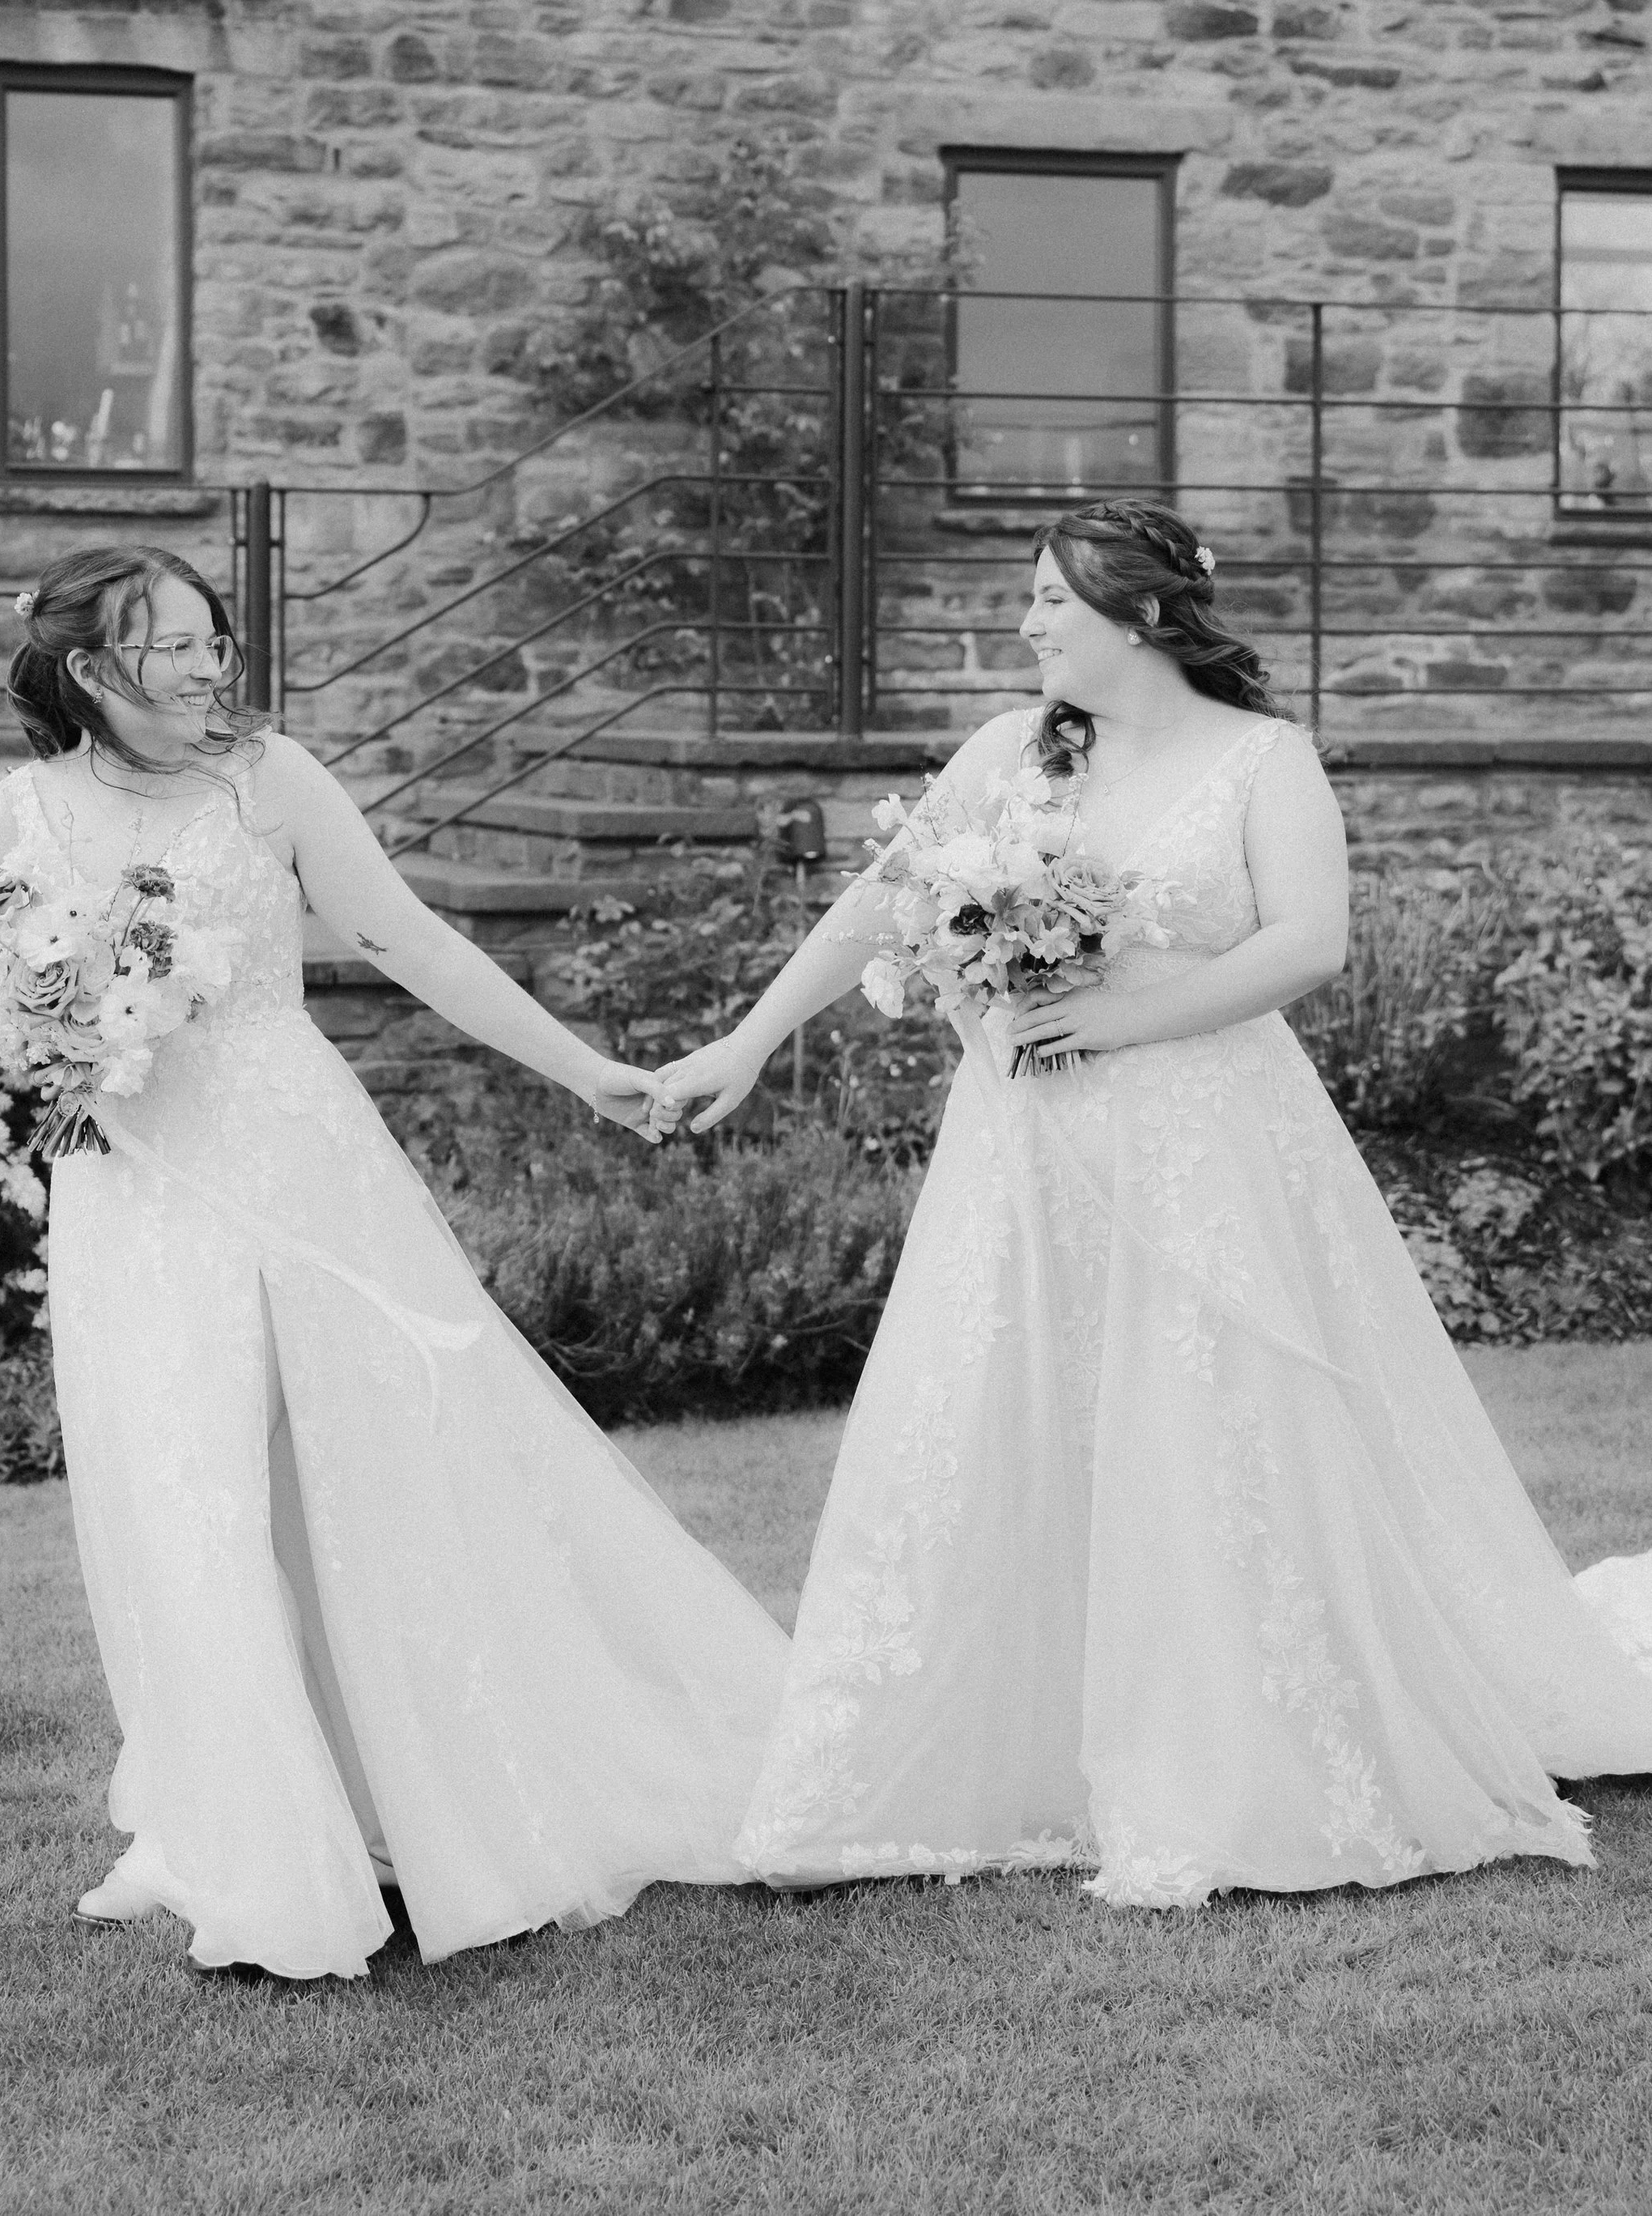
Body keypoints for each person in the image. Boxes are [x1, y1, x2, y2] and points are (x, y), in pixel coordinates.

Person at [658, 500, 1652, 1909]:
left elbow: (1310, 942)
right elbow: (881, 905)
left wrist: (1122, 1026)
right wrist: (747, 1042)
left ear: (1137, 614)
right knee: (1003, 1410)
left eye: (1051, 601)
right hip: (1023, 1150)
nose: (1027, 625)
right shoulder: (1011, 752)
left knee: (1211, 1426)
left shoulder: (1264, 758)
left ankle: (1234, 1750)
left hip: (1209, 1140)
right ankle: (984, 1750)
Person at [0, 544, 788, 1980]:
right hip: (136, 1195)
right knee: (187, 1497)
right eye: (174, 647)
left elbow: (409, 937)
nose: (211, 665)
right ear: (92, 670)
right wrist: (57, 1043)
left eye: (214, 638)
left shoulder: (270, 779)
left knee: (379, 1461)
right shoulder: (20, 811)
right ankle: (250, 1841)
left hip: (300, 1166)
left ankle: (433, 1796)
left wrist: (583, 1068)